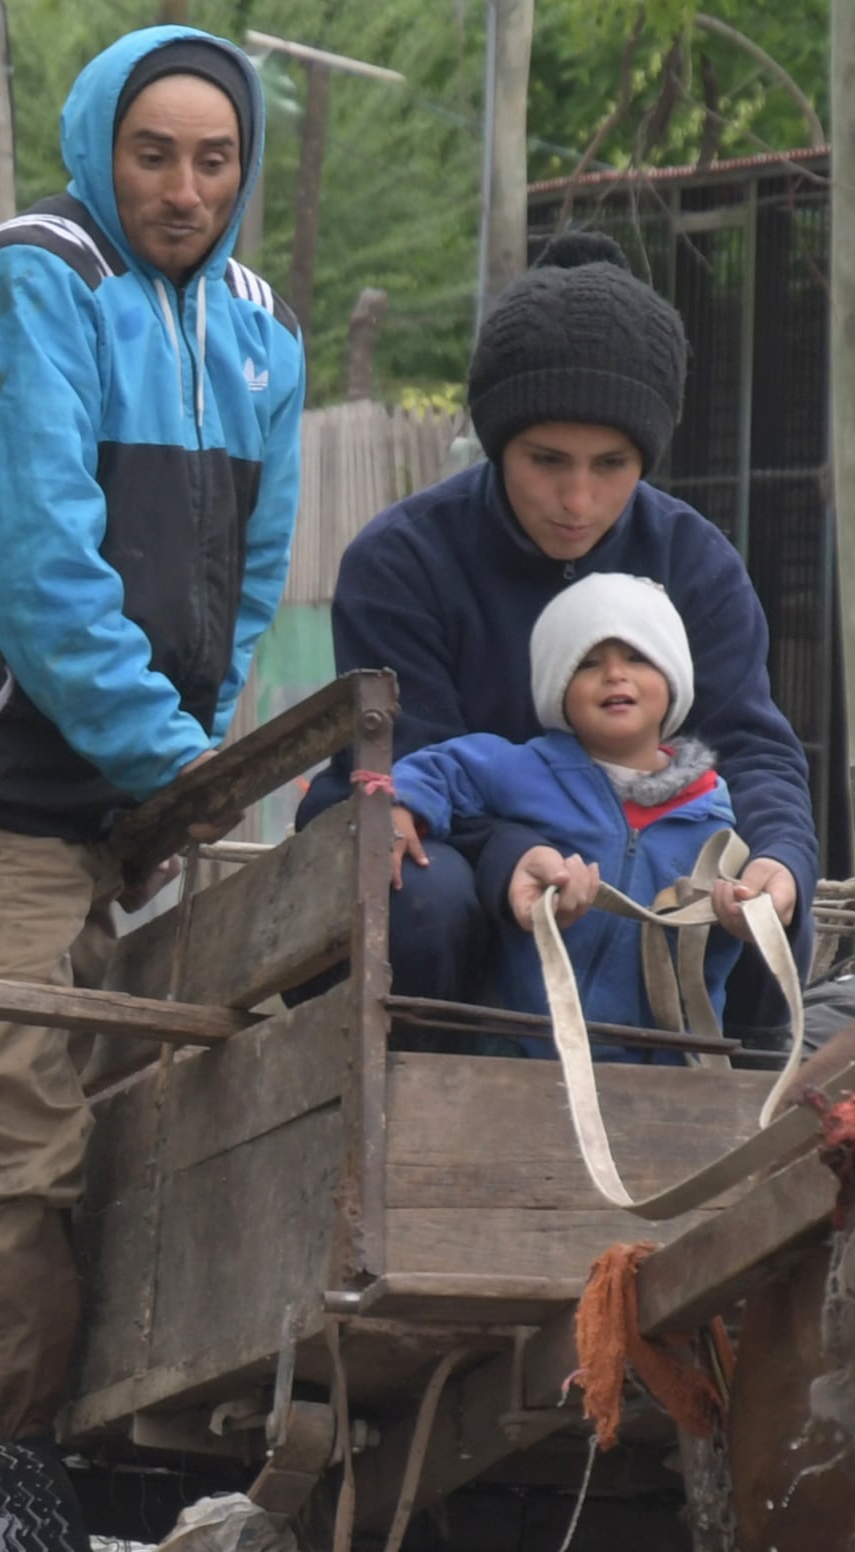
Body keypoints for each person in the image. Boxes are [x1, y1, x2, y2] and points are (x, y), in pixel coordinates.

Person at [0, 23, 306, 1440]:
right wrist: (172, 767)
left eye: (214, 160)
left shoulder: (258, 331)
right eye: (152, 156)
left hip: (104, 787)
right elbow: (40, 575)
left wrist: (183, 767)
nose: (184, 190)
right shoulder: (29, 284)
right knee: (21, 1150)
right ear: (100, 149)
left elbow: (245, 586)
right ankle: (9, 1502)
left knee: (34, 1136)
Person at [316, 236, 815, 1024]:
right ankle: (423, 1090)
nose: (577, 499)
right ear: (496, 442)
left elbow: (750, 749)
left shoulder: (697, 566)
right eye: (547, 460)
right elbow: (414, 770)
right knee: (419, 893)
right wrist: (519, 857)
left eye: (611, 464)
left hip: (643, 862)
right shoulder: (400, 562)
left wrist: (782, 860)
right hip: (458, 862)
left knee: (767, 912)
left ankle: (738, 1091)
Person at [375, 570, 741, 1043]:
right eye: (588, 663)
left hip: (657, 1059)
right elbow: (443, 769)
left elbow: (706, 962)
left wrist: (733, 919)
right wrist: (404, 805)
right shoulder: (526, 768)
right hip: (520, 1050)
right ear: (558, 689)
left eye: (637, 657)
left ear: (673, 678)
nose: (615, 674)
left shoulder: (710, 813)